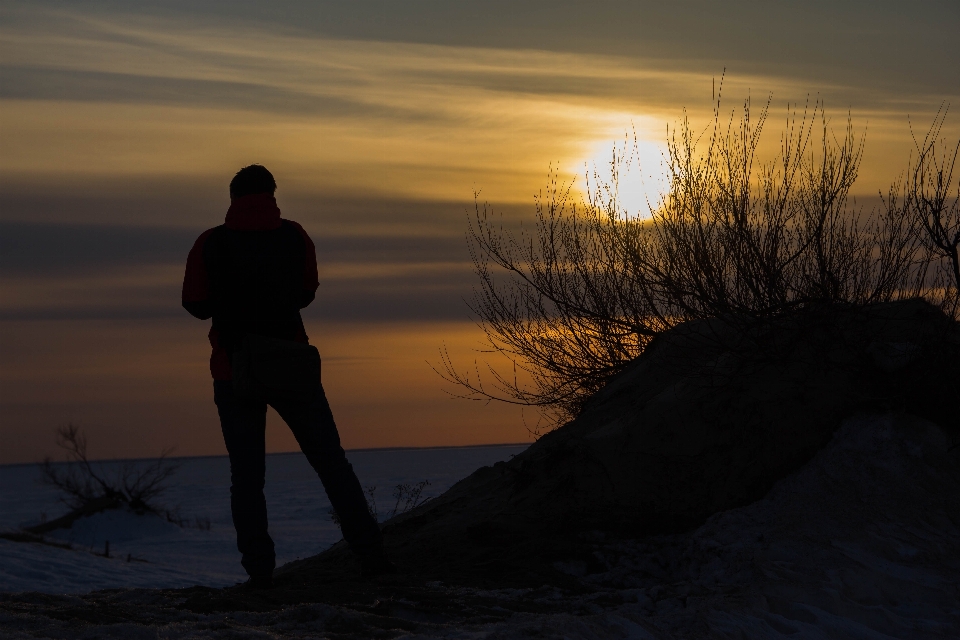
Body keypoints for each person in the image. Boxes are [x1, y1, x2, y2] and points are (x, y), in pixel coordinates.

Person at [181, 164, 394, 588]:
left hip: (233, 368)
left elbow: (195, 303)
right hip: (292, 363)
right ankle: (372, 557)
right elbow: (307, 292)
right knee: (332, 462)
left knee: (246, 476)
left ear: (232, 197)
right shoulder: (295, 236)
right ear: (273, 194)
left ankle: (260, 573)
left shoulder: (210, 242)